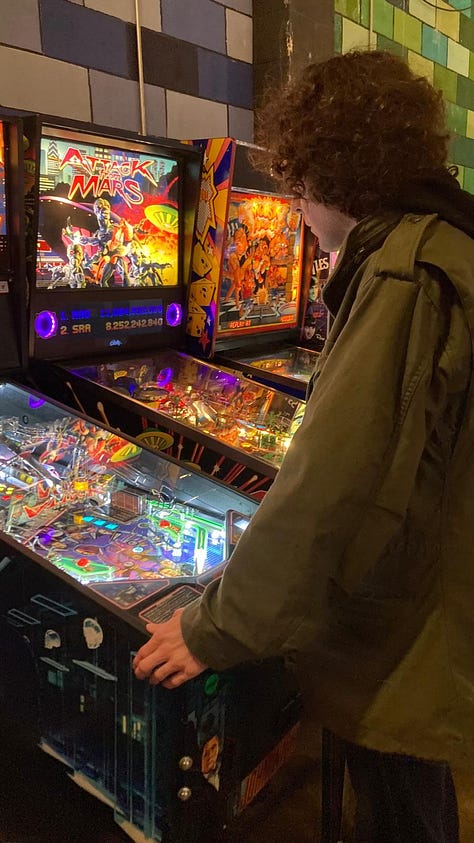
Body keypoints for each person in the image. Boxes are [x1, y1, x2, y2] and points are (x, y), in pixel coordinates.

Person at [133, 50, 474, 842]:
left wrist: (215, 625)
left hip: (409, 616)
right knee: (411, 778)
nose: (296, 209)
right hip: (433, 592)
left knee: (397, 793)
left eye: (297, 187)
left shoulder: (405, 272)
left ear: (330, 174)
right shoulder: (444, 238)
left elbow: (335, 479)